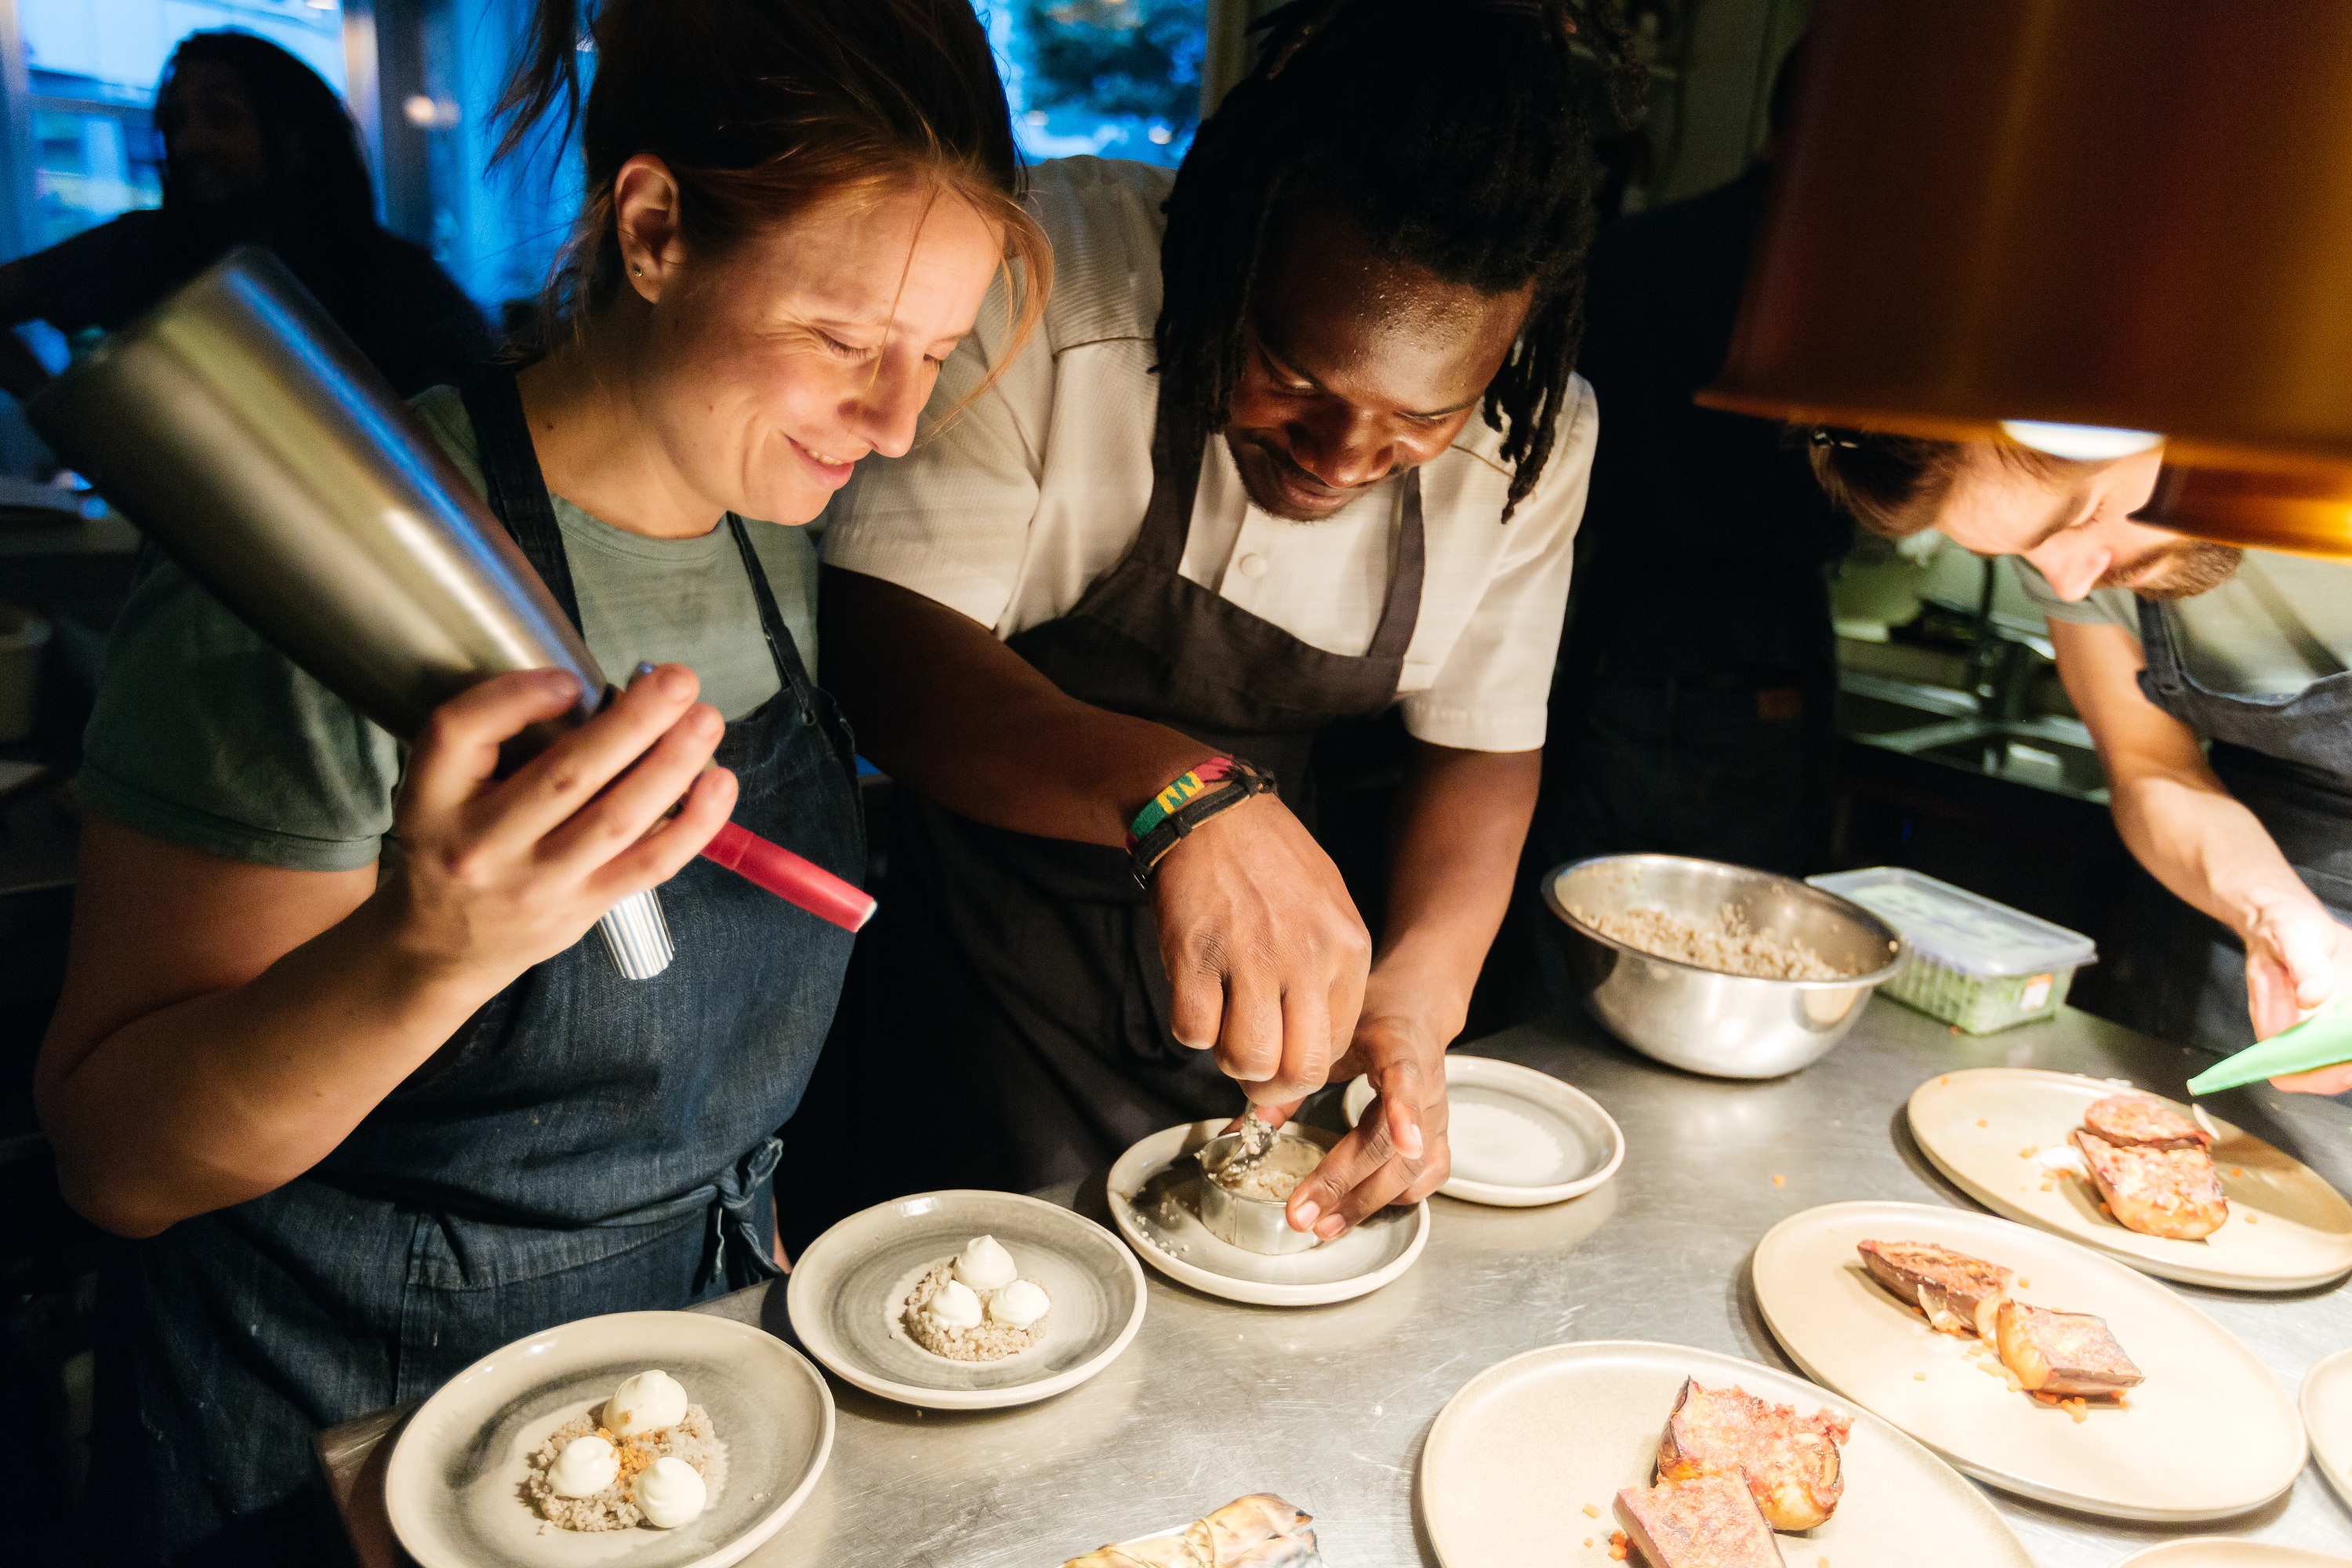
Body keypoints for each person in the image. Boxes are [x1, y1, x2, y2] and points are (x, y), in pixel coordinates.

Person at [33, 1, 1048, 1559]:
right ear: (651, 230)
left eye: (931, 353)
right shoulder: (329, 570)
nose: (899, 421)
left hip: (659, 1412)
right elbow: (119, 1156)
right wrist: (429, 951)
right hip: (334, 1447)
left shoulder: (769, 512)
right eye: (844, 340)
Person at [819, 0, 1631, 1241]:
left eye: (1424, 422)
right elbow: (883, 648)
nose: (1348, 455)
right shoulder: (1053, 274)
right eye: (1296, 379)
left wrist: (1416, 1000)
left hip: (1270, 977)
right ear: (1227, 258)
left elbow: (1485, 742)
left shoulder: (1536, 433)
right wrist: (1180, 793)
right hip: (982, 965)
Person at [1479, 40, 1846, 1025]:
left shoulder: (1635, 251)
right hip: (1754, 652)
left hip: (1607, 631)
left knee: (1570, 937)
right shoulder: (1849, 289)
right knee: (1739, 957)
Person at [1809, 430, 2352, 1095]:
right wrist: (2271, 910)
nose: (2067, 579)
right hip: (2267, 872)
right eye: (2024, 553)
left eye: (2084, 514)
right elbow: (2151, 765)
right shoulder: (2075, 556)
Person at [0, 29, 485, 398]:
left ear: (298, 139)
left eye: (221, 116)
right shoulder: (140, 249)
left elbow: (482, 401)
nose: (188, 142)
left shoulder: (395, 278)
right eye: (176, 122)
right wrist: (63, 416)